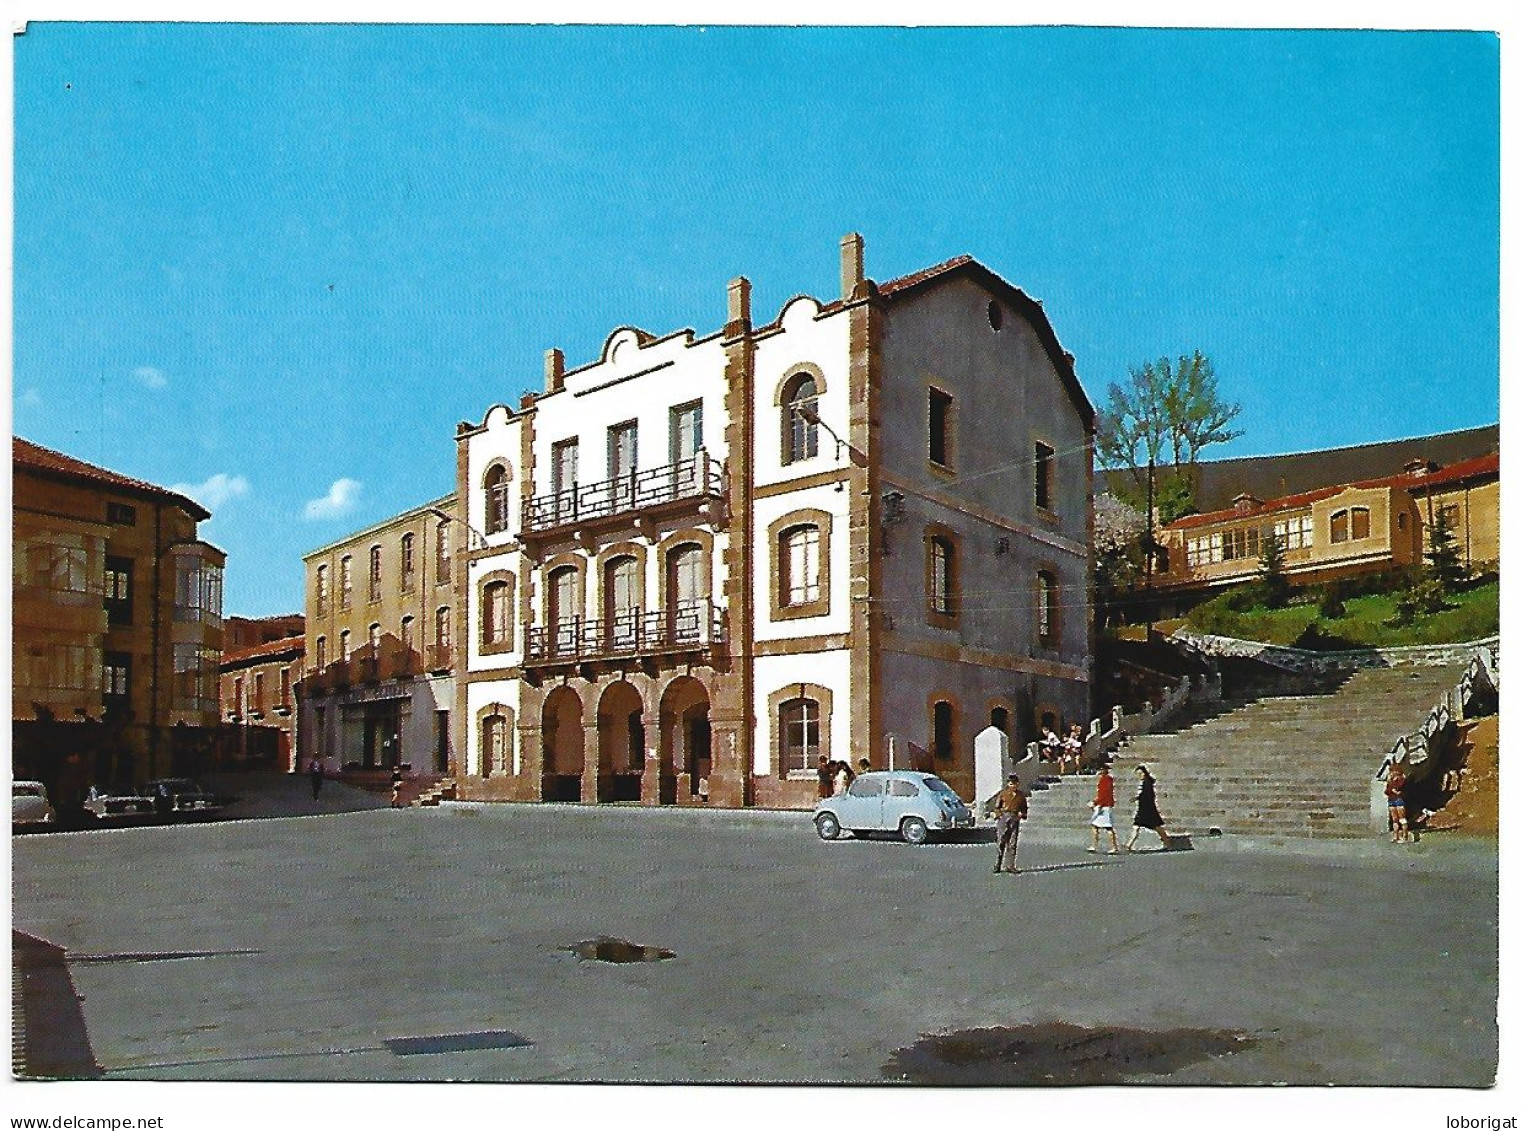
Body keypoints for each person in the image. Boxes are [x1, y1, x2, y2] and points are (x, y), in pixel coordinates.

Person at [1125, 764, 1172, 851]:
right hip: (1143, 809)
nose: (1139, 776)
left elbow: (1147, 795)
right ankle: (1129, 845)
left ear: (1144, 773)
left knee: (1157, 827)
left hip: (1148, 809)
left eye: (1140, 773)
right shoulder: (1146, 782)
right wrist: (1137, 798)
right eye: (1138, 774)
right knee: (1137, 826)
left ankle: (1167, 842)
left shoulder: (1147, 783)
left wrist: (1137, 798)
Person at [992, 773, 1028, 873]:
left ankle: (1010, 865)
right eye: (1011, 783)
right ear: (1008, 784)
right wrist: (1000, 816)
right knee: (1001, 841)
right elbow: (996, 807)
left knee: (1012, 843)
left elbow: (1024, 808)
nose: (1013, 785)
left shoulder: (1021, 795)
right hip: (1004, 817)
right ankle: (997, 864)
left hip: (1014, 817)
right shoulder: (1003, 794)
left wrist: (1022, 815)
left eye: (1015, 783)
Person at [1088, 763, 1121, 854]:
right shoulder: (1105, 779)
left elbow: (1104, 794)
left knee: (1108, 827)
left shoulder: (1106, 780)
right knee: (1095, 826)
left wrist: (1096, 803)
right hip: (1103, 804)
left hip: (1104, 805)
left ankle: (1114, 847)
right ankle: (1094, 845)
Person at [1385, 763, 1409, 844]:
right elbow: (1387, 791)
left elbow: (1399, 789)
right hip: (1391, 800)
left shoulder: (1402, 779)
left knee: (1402, 818)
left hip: (1399, 800)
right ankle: (1395, 836)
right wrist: (1391, 785)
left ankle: (1405, 836)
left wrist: (1393, 787)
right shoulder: (1390, 780)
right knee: (1395, 819)